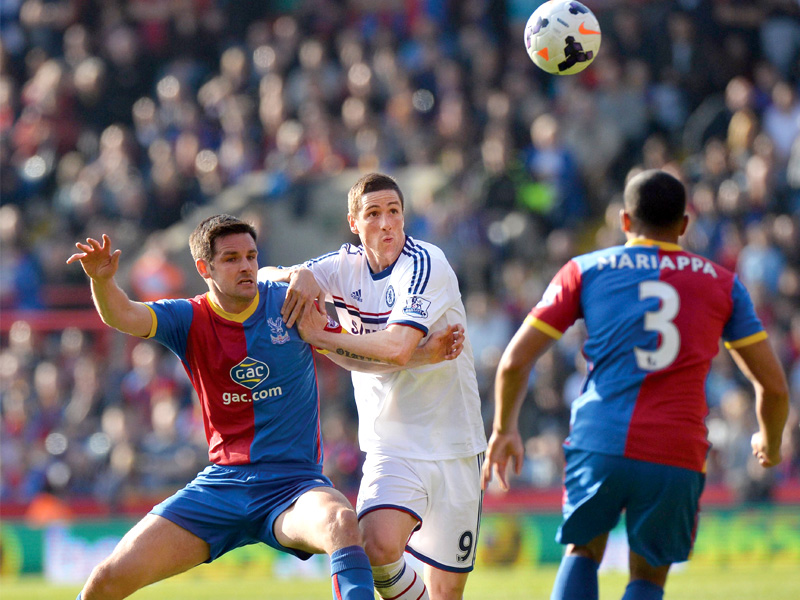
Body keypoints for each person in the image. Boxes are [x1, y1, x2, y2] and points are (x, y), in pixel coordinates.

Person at [481, 169, 789, 600]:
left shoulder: (585, 270)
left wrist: (504, 429)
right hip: (675, 452)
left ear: (625, 221)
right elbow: (773, 387)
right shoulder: (723, 284)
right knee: (648, 577)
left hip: (601, 439)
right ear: (684, 225)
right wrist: (771, 444)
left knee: (583, 549)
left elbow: (514, 360)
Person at [65, 214, 389, 600]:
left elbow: (355, 347)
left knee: (340, 521)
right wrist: (102, 281)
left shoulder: (291, 303)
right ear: (204, 268)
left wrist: (416, 350)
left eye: (251, 256)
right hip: (221, 487)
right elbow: (123, 314)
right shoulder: (188, 317)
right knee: (105, 581)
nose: (247, 266)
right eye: (232, 258)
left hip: (293, 487)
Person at [262, 172, 487, 600]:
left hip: (455, 447)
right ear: (354, 222)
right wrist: (299, 275)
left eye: (394, 212)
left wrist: (322, 336)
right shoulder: (341, 269)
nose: (386, 223)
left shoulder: (425, 264)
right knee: (374, 547)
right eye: (374, 214)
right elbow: (265, 277)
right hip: (392, 446)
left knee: (446, 593)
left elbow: (398, 349)